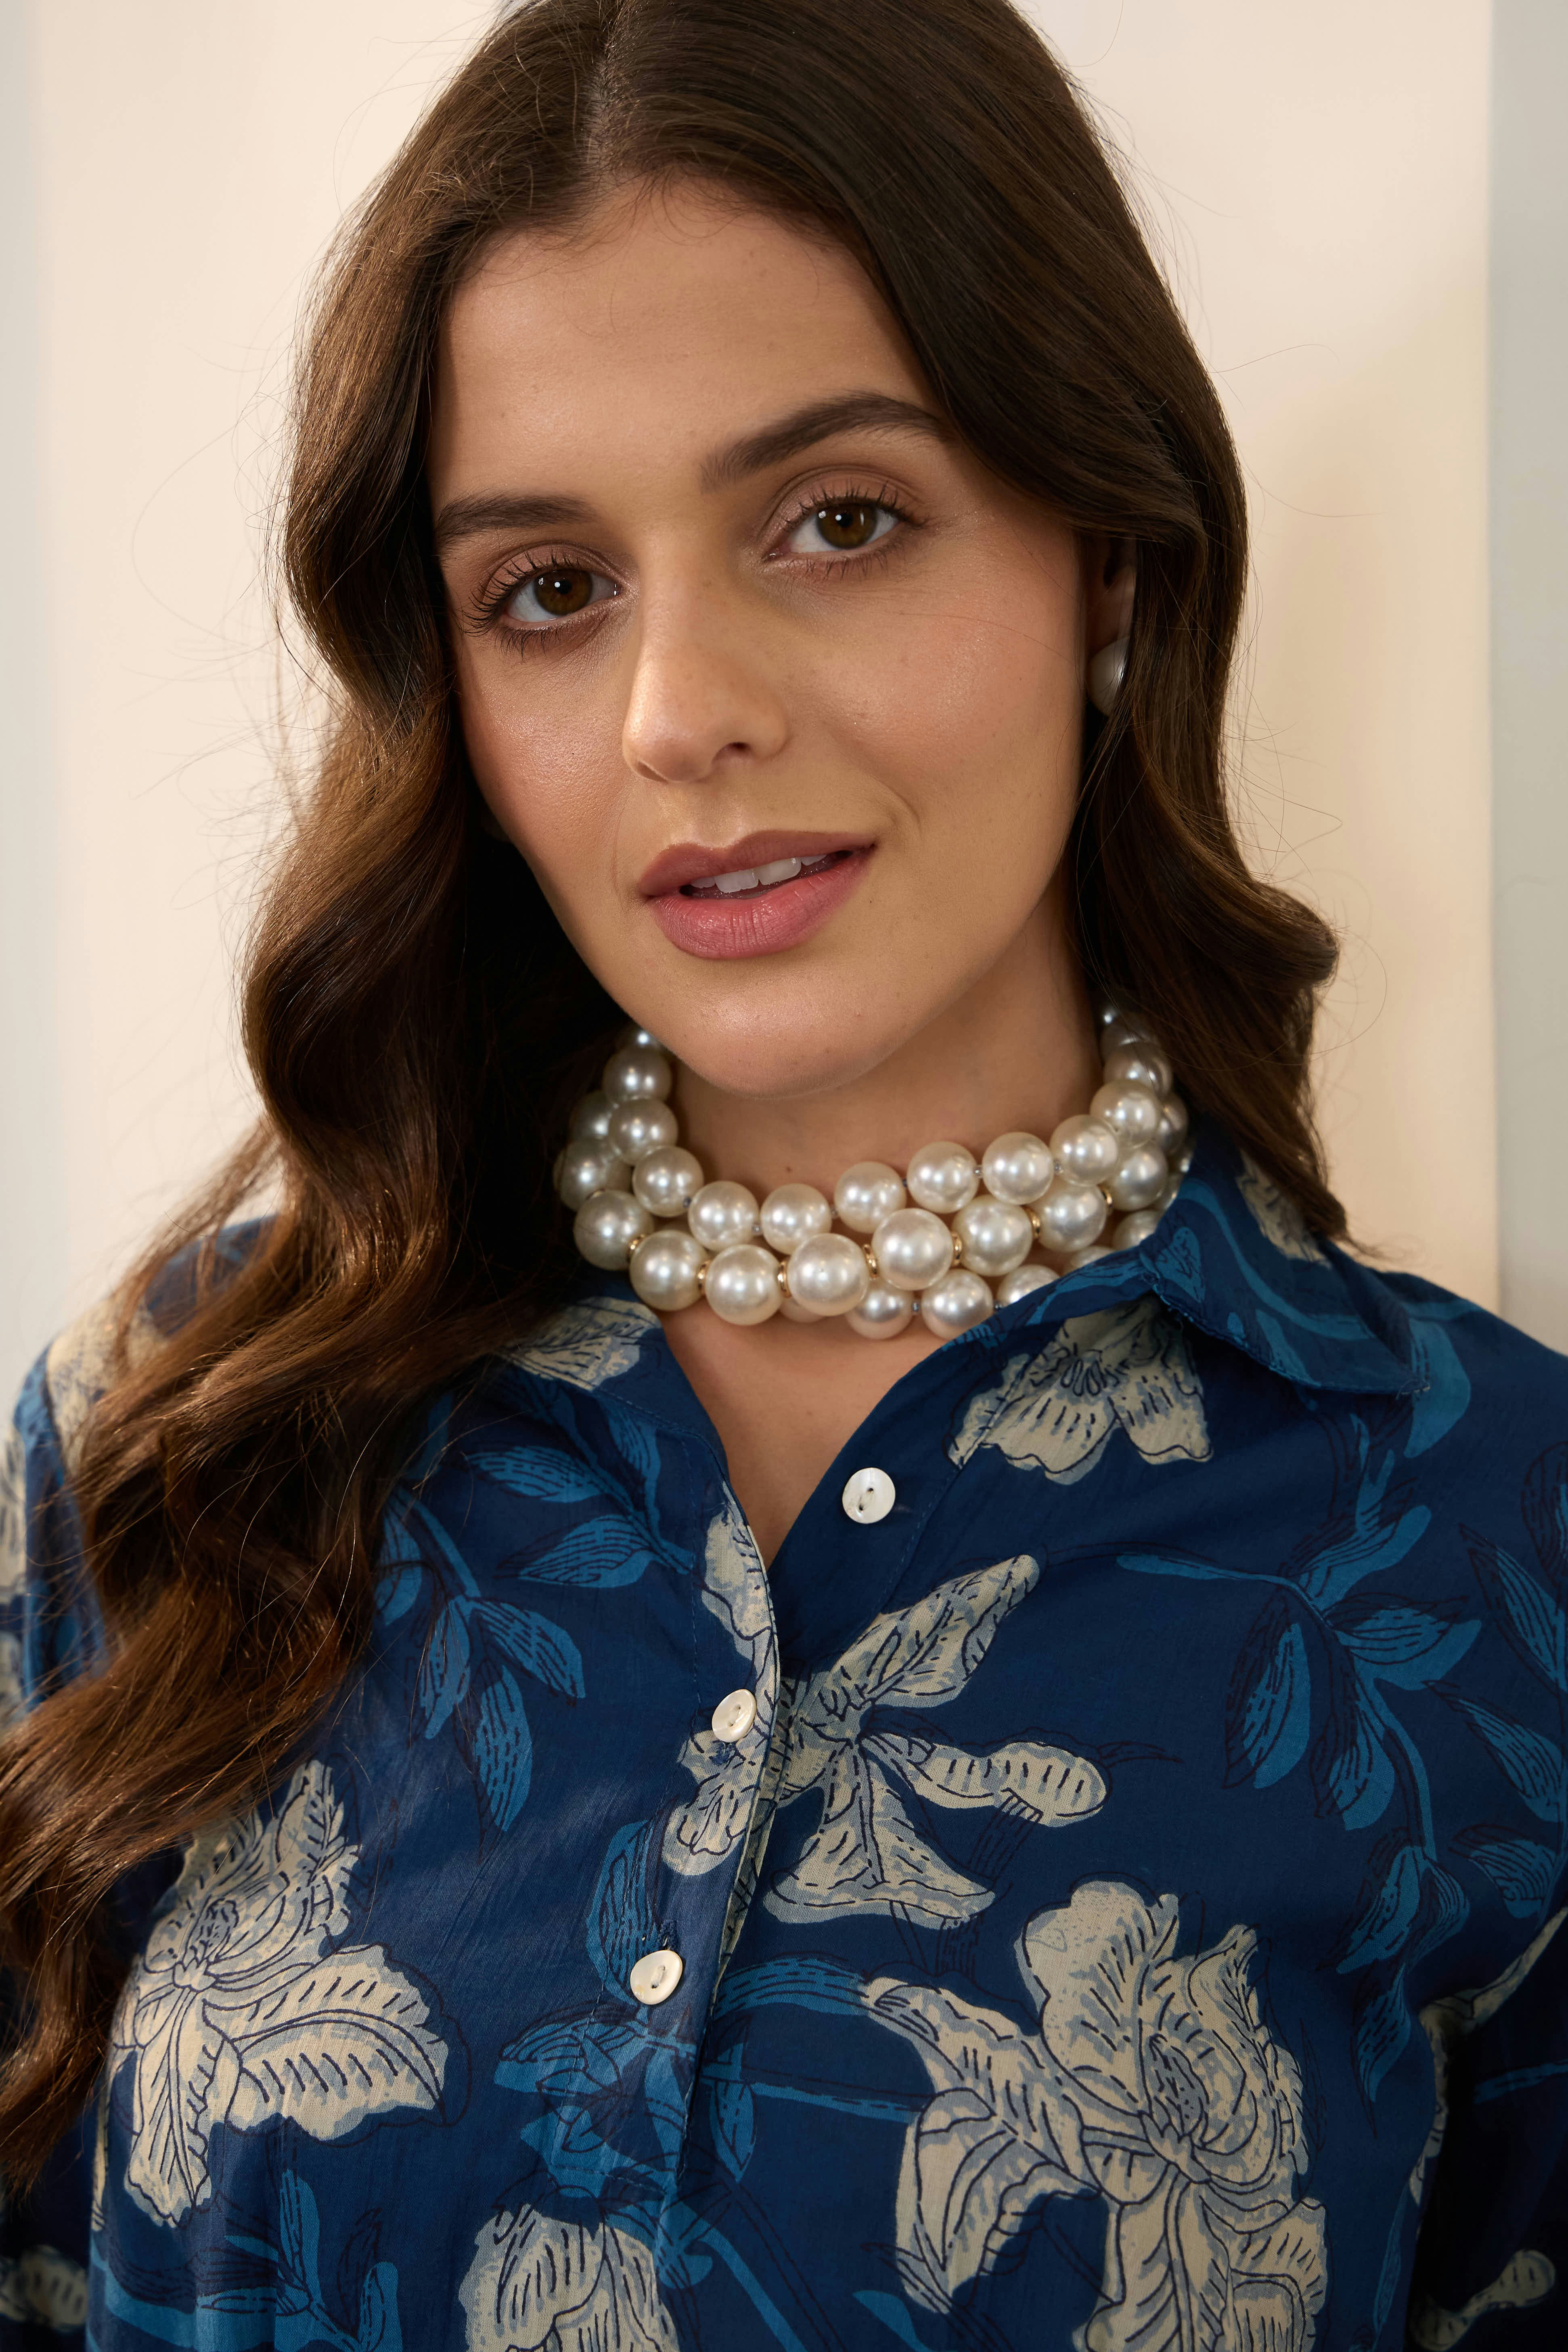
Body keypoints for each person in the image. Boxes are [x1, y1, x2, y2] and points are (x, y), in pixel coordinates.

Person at [2, 1, 1564, 2344]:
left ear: (1110, 559)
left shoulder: (1485, 1535)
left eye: (838, 521)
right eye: (550, 586)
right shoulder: (181, 1438)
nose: (678, 712)